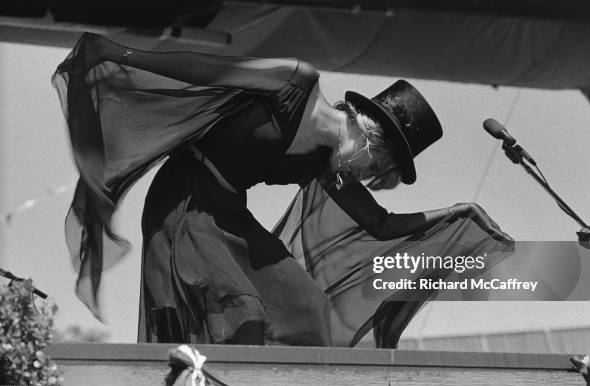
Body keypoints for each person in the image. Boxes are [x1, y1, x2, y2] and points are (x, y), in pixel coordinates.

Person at [52, 32, 513, 348]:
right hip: (185, 201)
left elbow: (380, 223)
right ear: (370, 139)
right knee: (242, 310)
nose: (367, 179)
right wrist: (120, 56)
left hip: (228, 213)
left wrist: (457, 212)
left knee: (306, 307)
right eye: (376, 169)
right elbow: (204, 69)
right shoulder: (294, 82)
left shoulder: (328, 164)